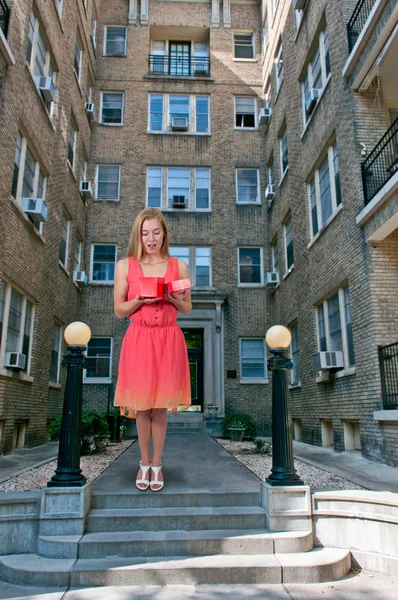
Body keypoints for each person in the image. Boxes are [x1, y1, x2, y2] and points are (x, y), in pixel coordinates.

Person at [113, 208, 192, 491]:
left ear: (164, 234)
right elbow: (119, 310)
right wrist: (139, 300)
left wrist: (172, 298)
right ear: (138, 235)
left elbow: (187, 307)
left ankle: (157, 464)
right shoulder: (125, 265)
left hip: (168, 339)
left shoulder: (178, 266)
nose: (150, 238)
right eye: (145, 233)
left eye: (156, 232)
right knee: (141, 407)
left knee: (160, 408)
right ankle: (143, 462)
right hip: (140, 339)